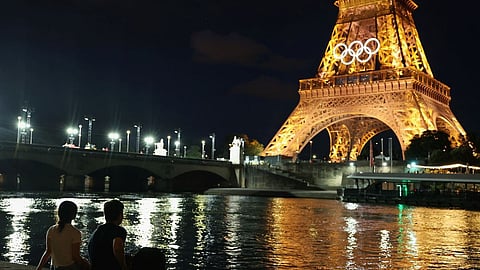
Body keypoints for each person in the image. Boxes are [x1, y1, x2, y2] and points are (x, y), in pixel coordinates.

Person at [36, 200, 90, 270]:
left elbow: (48, 252)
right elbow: (75, 256)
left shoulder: (51, 230)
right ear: (74, 215)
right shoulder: (75, 232)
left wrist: (39, 268)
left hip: (54, 267)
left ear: (59, 213)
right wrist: (85, 263)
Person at [87, 199, 128, 270]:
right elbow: (117, 248)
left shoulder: (97, 231)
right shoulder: (119, 230)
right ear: (120, 215)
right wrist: (124, 267)